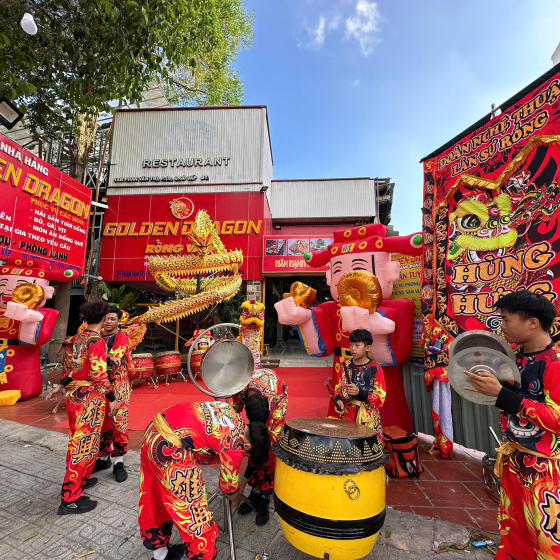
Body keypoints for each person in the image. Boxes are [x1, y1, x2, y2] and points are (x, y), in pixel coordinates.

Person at [464, 290, 560, 560]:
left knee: (547, 540)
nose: (501, 326)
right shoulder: (515, 360)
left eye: (506, 320)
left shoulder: (555, 363)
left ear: (532, 323)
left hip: (546, 471)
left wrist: (504, 395)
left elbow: (558, 419)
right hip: (514, 461)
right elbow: (515, 400)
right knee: (513, 530)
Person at [138, 401, 270, 560]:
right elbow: (230, 492)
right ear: (247, 446)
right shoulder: (236, 444)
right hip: (172, 451)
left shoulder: (230, 412)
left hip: (153, 433)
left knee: (153, 495)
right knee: (195, 513)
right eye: (246, 455)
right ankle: (203, 556)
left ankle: (160, 555)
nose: (243, 456)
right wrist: (237, 494)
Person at [47, 299, 119, 515]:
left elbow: (70, 368)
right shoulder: (97, 342)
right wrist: (112, 398)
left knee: (78, 442)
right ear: (105, 318)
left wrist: (61, 386)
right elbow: (99, 375)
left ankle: (80, 483)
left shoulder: (76, 339)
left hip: (74, 397)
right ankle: (70, 499)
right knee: (84, 446)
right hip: (90, 399)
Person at [231, 369, 289, 526]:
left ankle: (265, 496)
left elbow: (270, 440)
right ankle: (255, 491)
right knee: (252, 444)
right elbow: (234, 411)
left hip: (274, 406)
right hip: (256, 400)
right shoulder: (241, 387)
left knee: (268, 450)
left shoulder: (276, 401)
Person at [92, 305, 133, 482]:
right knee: (102, 421)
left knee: (118, 421)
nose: (108, 322)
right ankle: (103, 458)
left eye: (112, 319)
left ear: (118, 321)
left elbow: (116, 355)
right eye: (106, 318)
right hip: (101, 384)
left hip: (118, 384)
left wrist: (104, 356)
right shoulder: (96, 337)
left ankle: (119, 462)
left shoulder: (121, 336)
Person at [334, 329, 386, 438]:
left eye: (357, 345)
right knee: (348, 449)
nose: (353, 348)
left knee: (369, 450)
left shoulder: (375, 368)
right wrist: (339, 401)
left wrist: (360, 392)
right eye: (351, 345)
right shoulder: (345, 366)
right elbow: (338, 389)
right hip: (348, 416)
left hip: (368, 417)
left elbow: (381, 397)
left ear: (367, 348)